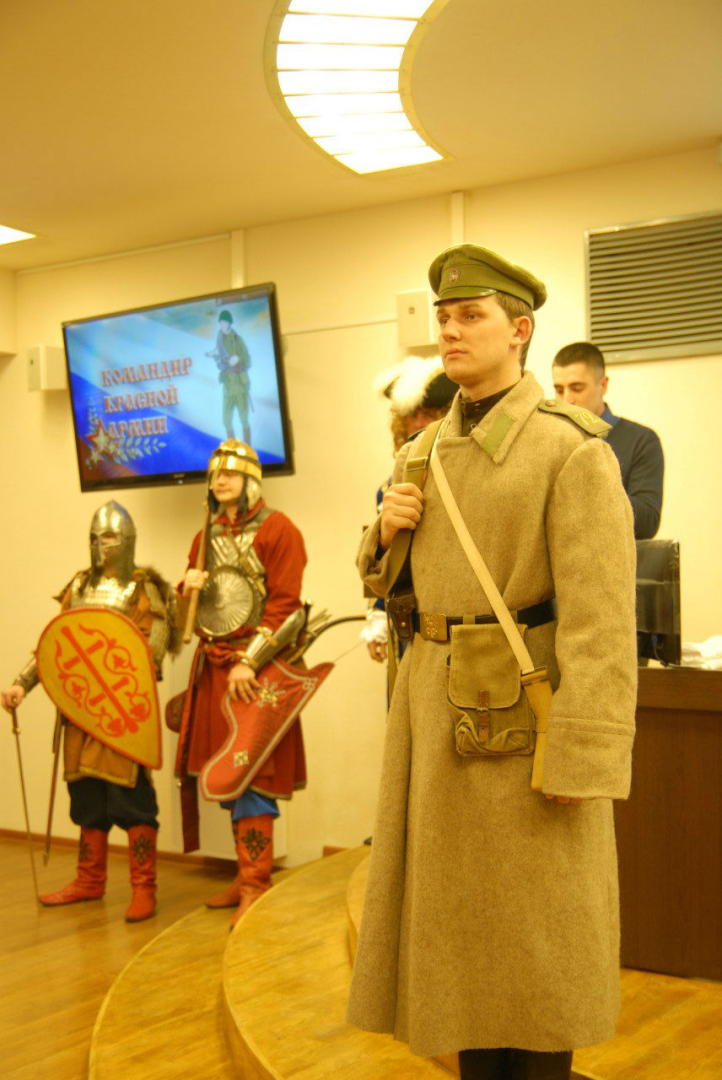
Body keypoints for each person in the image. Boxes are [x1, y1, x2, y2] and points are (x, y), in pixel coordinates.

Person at [346, 244, 638, 1080]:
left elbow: (601, 623)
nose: (450, 331)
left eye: (470, 316)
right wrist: (383, 536)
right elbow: (389, 586)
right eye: (443, 317)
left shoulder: (569, 450)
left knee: (540, 940)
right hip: (437, 726)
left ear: (520, 330)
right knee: (462, 946)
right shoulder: (421, 452)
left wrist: (583, 753)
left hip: (526, 736)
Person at [1, 501, 178, 922]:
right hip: (80, 714)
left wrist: (108, 669)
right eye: (95, 538)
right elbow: (55, 646)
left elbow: (149, 655)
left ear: (127, 541)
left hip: (122, 717)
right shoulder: (78, 587)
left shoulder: (143, 591)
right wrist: (21, 683)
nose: (101, 546)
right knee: (86, 799)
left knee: (132, 801)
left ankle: (144, 888)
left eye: (110, 538)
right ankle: (89, 879)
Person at [176, 438, 307, 927]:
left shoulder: (279, 530)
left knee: (253, 773)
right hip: (214, 669)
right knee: (226, 776)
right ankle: (243, 875)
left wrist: (249, 661)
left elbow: (287, 607)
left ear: (251, 479)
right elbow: (191, 615)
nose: (221, 481)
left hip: (256, 672)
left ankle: (257, 883)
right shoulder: (204, 537)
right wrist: (183, 591)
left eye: (230, 473)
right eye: (215, 474)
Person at [361, 356, 457, 666]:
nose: (417, 424)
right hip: (409, 622)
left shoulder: (463, 477)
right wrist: (378, 612)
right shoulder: (389, 488)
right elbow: (390, 560)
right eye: (411, 415)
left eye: (428, 414)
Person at [552, 342, 664, 539]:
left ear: (602, 385)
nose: (567, 400)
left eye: (577, 388)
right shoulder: (550, 440)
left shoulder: (641, 440)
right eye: (559, 390)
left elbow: (647, 522)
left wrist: (591, 485)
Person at [207, 309, 252, 443]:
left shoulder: (237, 339)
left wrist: (237, 360)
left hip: (239, 386)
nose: (221, 324)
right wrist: (217, 358)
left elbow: (247, 361)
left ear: (229, 323)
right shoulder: (220, 338)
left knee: (244, 419)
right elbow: (221, 360)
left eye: (224, 322)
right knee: (226, 420)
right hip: (227, 385)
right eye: (220, 322)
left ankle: (248, 449)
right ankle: (232, 450)